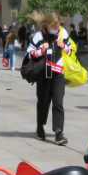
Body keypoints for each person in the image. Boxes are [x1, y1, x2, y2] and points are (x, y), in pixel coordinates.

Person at [26, 11, 73, 145]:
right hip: (43, 73)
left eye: (58, 25)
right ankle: (40, 126)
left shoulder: (63, 34)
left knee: (58, 102)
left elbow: (70, 51)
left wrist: (63, 46)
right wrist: (41, 50)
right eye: (54, 26)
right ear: (47, 25)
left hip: (58, 72)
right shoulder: (38, 36)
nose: (57, 28)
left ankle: (59, 132)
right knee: (43, 102)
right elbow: (29, 54)